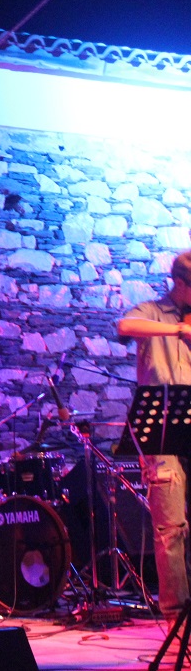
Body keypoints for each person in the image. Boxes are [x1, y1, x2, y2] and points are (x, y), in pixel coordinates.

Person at [117, 249, 191, 628]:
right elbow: (125, 326)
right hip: (162, 432)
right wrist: (178, 330)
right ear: (179, 283)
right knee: (170, 528)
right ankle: (177, 618)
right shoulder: (152, 311)